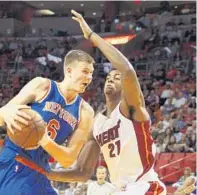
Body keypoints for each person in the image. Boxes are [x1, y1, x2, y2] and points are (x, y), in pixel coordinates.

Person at [46, 10, 167, 195]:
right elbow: (82, 172)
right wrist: (44, 172)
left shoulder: (131, 108)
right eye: (109, 76)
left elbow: (127, 70)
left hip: (144, 186)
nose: (111, 79)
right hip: (121, 189)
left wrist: (92, 36)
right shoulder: (97, 123)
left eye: (116, 77)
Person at [0, 49, 95, 195]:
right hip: (12, 163)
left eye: (91, 73)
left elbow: (68, 159)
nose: (89, 77)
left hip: (40, 171)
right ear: (69, 71)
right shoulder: (42, 86)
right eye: (85, 71)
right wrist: (4, 112)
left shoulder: (85, 111)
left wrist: (42, 138)